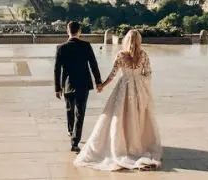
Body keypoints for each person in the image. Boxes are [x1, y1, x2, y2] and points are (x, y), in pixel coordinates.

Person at [74, 29, 163, 171]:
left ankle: (122, 145)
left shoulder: (121, 55)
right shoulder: (143, 55)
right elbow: (149, 73)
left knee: (120, 117)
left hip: (124, 88)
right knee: (139, 117)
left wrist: (102, 85)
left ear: (126, 40)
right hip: (139, 90)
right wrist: (140, 80)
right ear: (139, 41)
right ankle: (137, 144)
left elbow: (113, 74)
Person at [53, 21, 103, 153]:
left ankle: (71, 131)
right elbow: (93, 64)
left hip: (68, 84)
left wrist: (57, 88)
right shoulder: (86, 46)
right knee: (80, 113)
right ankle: (75, 142)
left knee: (69, 109)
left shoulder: (61, 48)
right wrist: (98, 81)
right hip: (83, 84)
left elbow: (57, 70)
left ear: (67, 31)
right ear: (79, 31)